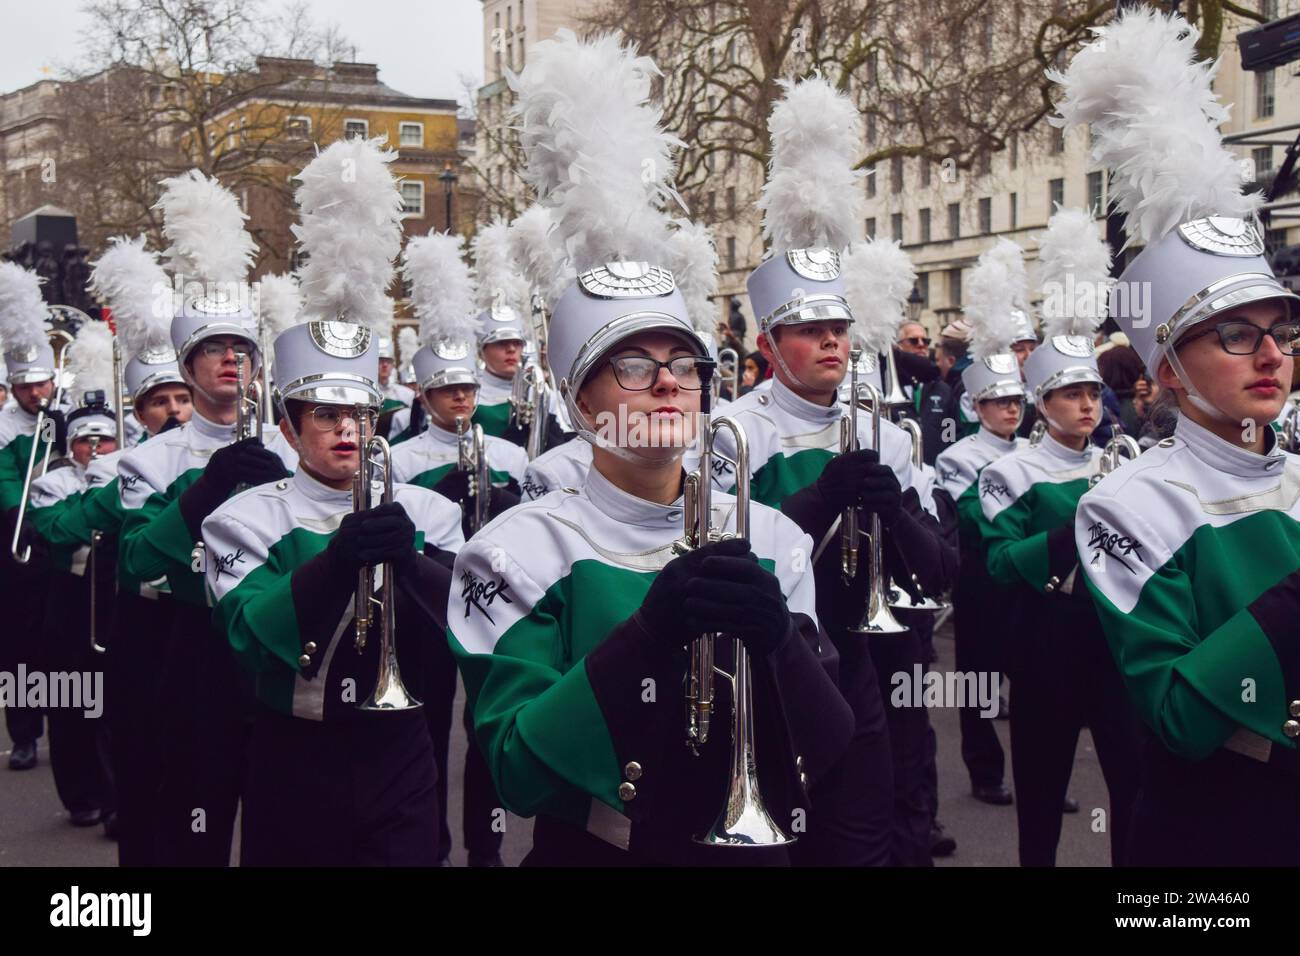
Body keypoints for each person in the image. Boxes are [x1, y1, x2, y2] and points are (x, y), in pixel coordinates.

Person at [449, 29, 854, 866]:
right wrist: (650, 632)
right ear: (579, 398)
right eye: (631, 365)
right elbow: (516, 769)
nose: (667, 382)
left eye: (685, 363)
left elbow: (832, 745)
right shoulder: (516, 549)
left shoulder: (772, 537)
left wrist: (781, 639)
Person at [1060, 7, 1300, 865]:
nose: (1271, 353)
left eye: (1281, 329)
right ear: (1166, 371)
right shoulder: (1126, 504)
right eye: (1236, 334)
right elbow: (1178, 720)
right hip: (1219, 826)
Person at [203, 296, 462, 866]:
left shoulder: (429, 511)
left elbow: (471, 625)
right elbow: (248, 634)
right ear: (288, 430)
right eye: (323, 413)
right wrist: (335, 562)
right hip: (295, 753)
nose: (348, 428)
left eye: (361, 415)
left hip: (402, 748)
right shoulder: (241, 518)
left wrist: (416, 564)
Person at [118, 169, 296, 866]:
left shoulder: (292, 445)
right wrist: (205, 490)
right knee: (191, 817)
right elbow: (137, 562)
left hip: (277, 648)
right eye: (214, 350)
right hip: (190, 651)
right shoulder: (153, 459)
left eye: (242, 349)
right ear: (188, 365)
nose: (231, 359)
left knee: (281, 823)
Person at [974, 210, 1142, 866]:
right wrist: (1077, 530)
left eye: (1093, 393)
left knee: (1132, 783)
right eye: (1070, 394)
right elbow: (997, 564)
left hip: (1115, 640)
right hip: (1045, 643)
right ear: (1041, 402)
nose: (1087, 405)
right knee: (1041, 794)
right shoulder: (1009, 471)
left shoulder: (1117, 462)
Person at [28, 383, 118, 830]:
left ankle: (117, 799)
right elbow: (60, 531)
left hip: (115, 600)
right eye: (87, 440)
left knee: (116, 706)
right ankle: (81, 796)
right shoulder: (52, 483)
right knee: (69, 702)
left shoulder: (131, 473)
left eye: (107, 440)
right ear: (72, 445)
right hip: (69, 603)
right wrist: (102, 499)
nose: (98, 448)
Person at [0, 261, 58, 772]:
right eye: (27, 388)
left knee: (60, 638)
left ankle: (70, 723)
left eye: (43, 384)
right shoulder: (3, 427)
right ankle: (23, 733)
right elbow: (4, 482)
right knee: (18, 641)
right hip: (19, 535)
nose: (37, 395)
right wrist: (28, 507)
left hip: (65, 536)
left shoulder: (68, 413)